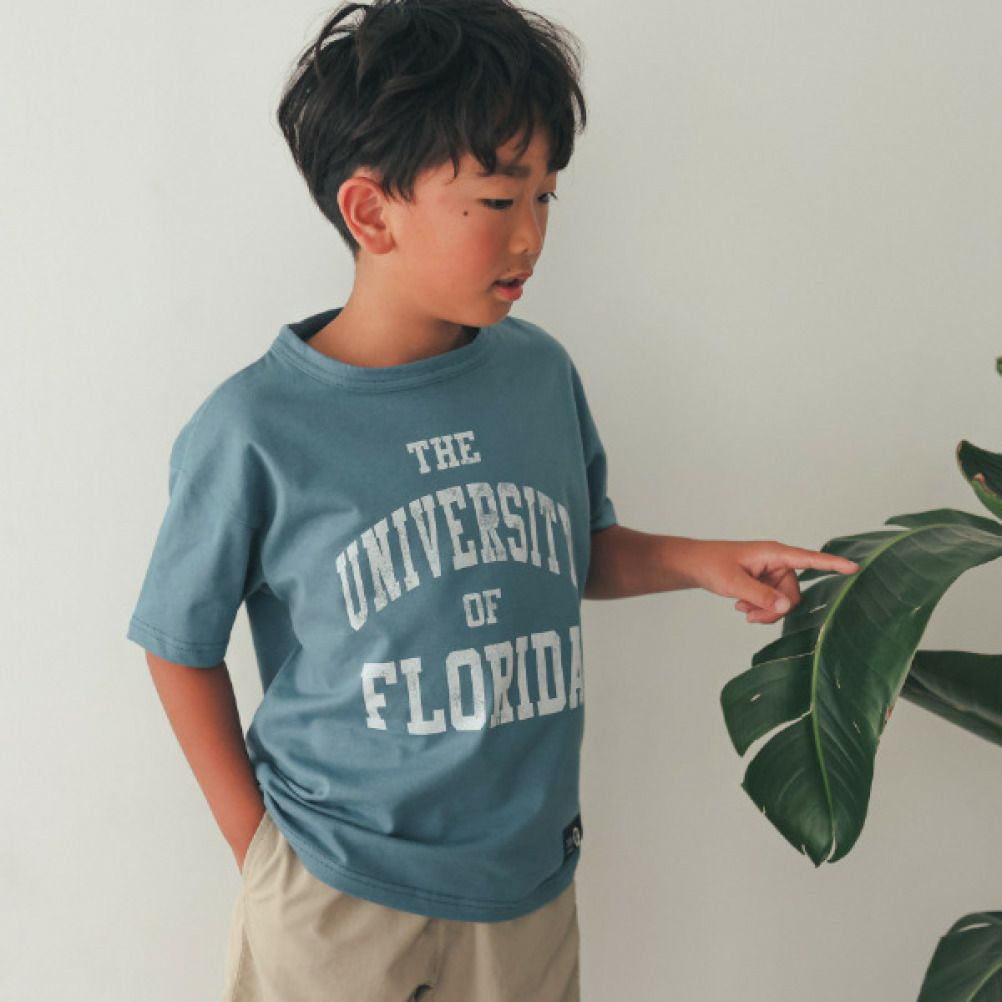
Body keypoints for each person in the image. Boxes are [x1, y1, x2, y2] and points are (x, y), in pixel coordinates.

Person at [126, 2, 860, 1000]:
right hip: (335, 893)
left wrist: (701, 561)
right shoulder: (255, 428)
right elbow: (178, 641)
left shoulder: (537, 376)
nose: (533, 236)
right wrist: (258, 849)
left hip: (525, 887)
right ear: (371, 213)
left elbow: (573, 549)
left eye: (546, 197)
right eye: (500, 199)